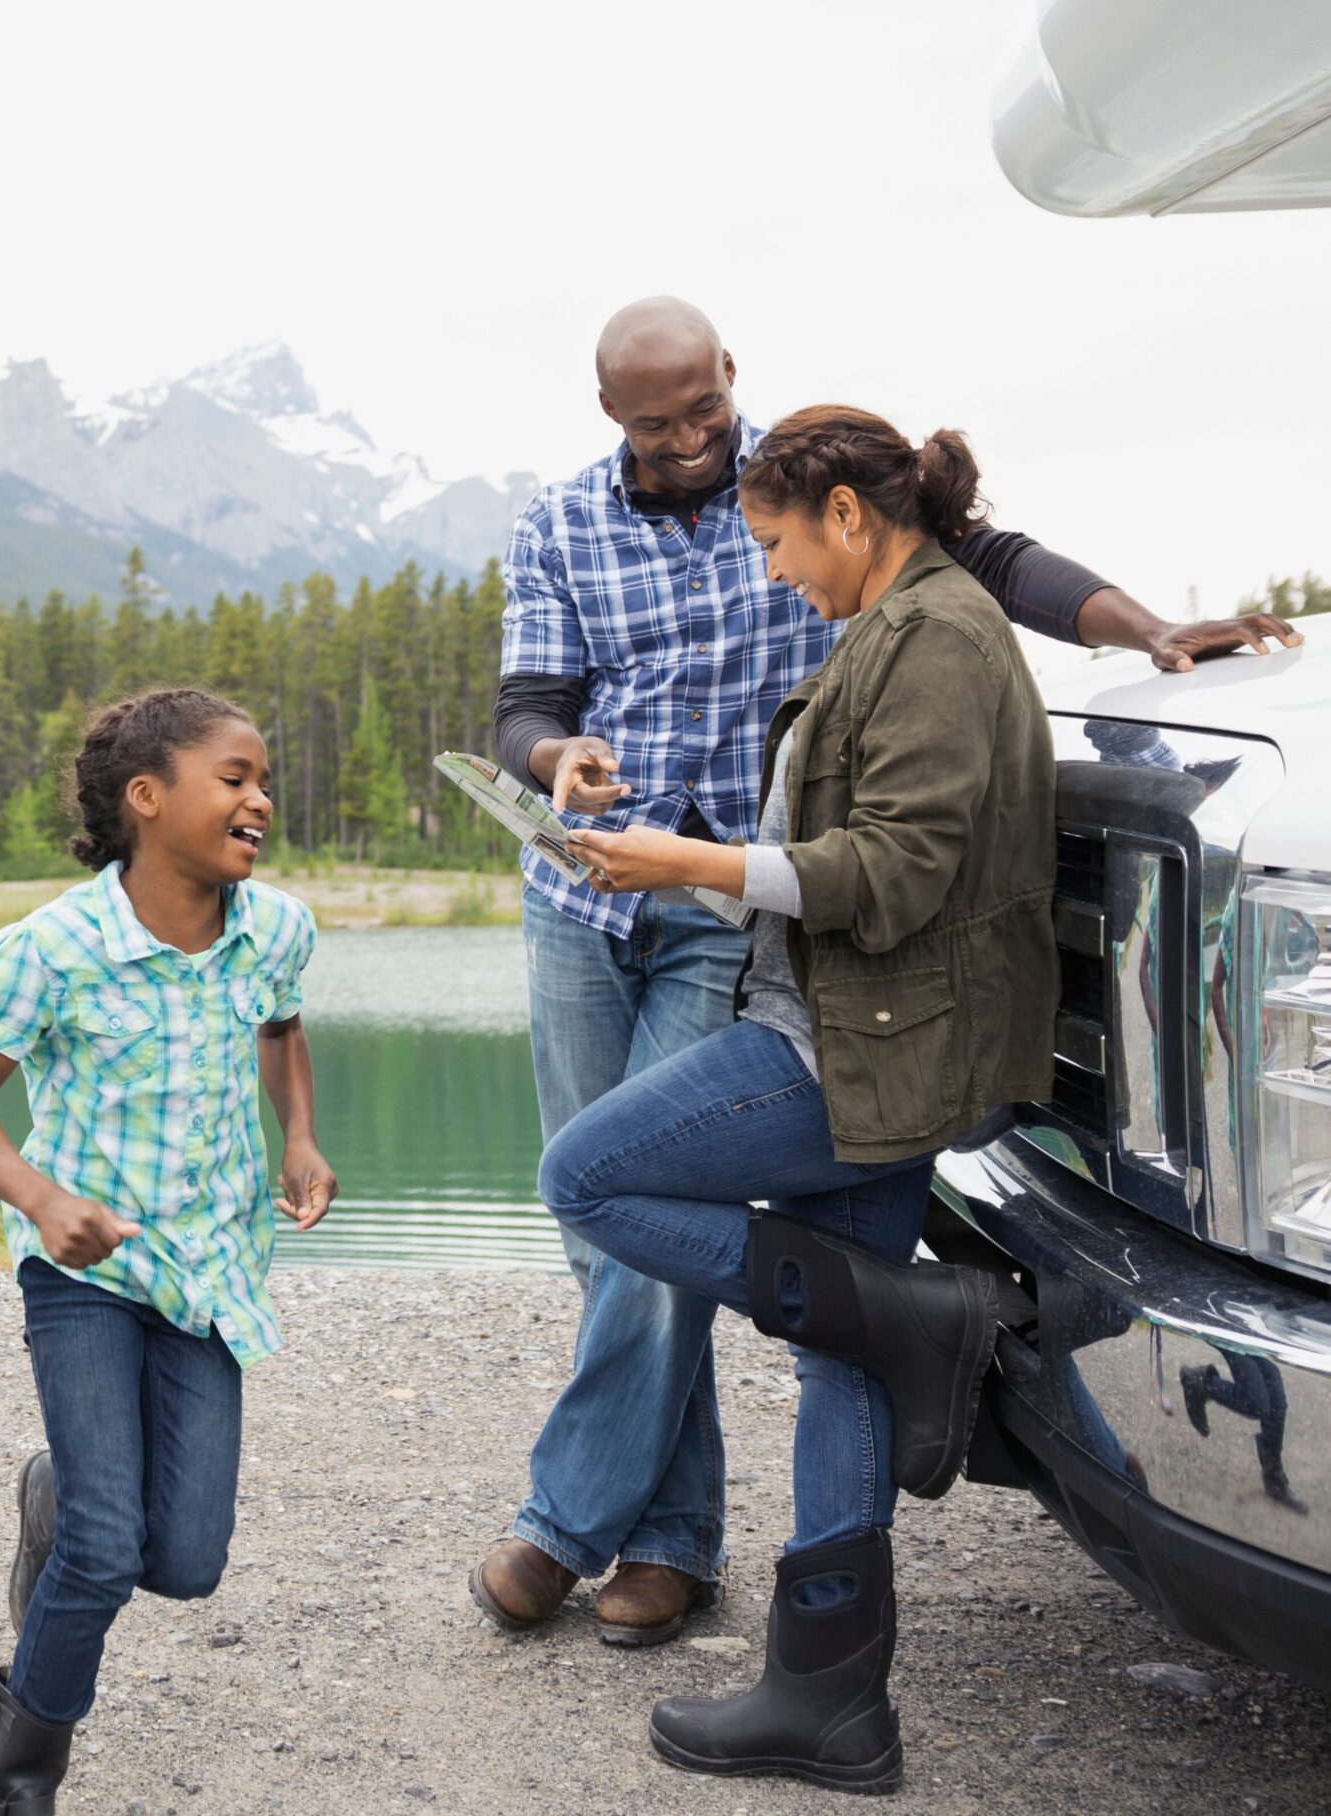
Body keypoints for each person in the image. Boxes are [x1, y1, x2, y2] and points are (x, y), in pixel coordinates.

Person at [474, 298, 1299, 1647]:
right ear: (609, 416)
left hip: (737, 908)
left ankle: (575, 1526)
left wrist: (1147, 632)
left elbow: (991, 557)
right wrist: (556, 761)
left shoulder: (819, 488)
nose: (686, 440)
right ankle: (685, 1544)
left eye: (702, 410)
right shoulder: (563, 525)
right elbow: (526, 705)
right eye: (654, 424)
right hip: (589, 890)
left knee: (627, 1190)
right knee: (605, 1232)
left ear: (730, 380)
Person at [537, 405, 1062, 1787]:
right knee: (848, 1348)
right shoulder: (891, 629)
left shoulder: (936, 641)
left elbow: (889, 877)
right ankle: (830, 1699)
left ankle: (921, 1314)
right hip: (870, 1032)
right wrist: (692, 854)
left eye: (775, 542)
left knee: (585, 1177)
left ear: (843, 513)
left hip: (855, 1045)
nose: (770, 572)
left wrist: (687, 870)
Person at [0, 688, 337, 1816]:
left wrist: (297, 1134)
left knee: (188, 1560)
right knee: (107, 1553)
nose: (259, 798)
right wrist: (39, 1196)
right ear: (147, 798)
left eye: (264, 780)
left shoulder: (276, 928)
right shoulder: (51, 950)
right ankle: (12, 1787)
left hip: (208, 1273)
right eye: (235, 778)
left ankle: (53, 1492)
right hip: (84, 1275)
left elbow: (282, 1025)